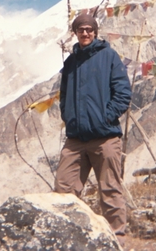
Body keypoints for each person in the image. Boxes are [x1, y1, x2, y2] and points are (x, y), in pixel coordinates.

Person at [54, 13, 132, 239]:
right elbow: (64, 95)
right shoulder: (70, 62)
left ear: (95, 32)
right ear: (75, 33)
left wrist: (105, 117)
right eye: (81, 30)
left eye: (89, 29)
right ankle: (65, 235)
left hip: (104, 137)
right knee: (64, 188)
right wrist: (69, 117)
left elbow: (123, 92)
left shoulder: (108, 56)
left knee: (109, 188)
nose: (85, 33)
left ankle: (116, 237)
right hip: (76, 139)